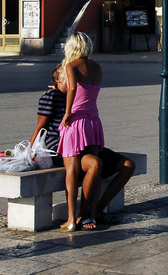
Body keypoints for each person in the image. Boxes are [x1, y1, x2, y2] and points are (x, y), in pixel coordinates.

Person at [30, 66, 135, 225]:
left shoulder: (77, 95)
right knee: (94, 163)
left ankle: (98, 210)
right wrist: (28, 153)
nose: (73, 79)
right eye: (67, 77)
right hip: (61, 147)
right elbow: (40, 126)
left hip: (84, 144)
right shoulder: (50, 97)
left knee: (128, 165)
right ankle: (84, 215)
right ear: (58, 81)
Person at [58, 32, 104, 231]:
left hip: (76, 121)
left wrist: (67, 113)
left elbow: (73, 89)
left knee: (72, 170)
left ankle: (71, 218)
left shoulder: (71, 66)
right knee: (94, 170)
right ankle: (89, 214)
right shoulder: (97, 67)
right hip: (93, 121)